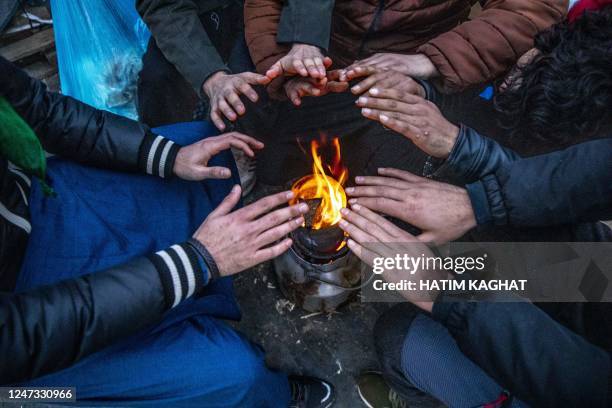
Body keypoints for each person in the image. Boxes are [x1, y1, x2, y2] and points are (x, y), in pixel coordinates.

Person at [0, 56, 335, 407]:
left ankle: (199, 294)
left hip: (39, 199)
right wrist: (195, 261)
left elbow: (43, 110)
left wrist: (164, 156)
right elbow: (23, 334)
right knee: (236, 376)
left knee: (206, 149)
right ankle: (270, 394)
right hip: (25, 355)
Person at [234, 0, 565, 187]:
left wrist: (429, 60)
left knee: (370, 178)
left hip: (401, 71)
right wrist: (286, 63)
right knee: (273, 167)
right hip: (317, 60)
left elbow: (533, 8)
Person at [136, 0, 335, 129]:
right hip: (198, 10)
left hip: (270, 7)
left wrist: (305, 41)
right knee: (158, 82)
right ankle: (166, 156)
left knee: (267, 78)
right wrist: (211, 77)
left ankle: (250, 144)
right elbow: (163, 7)